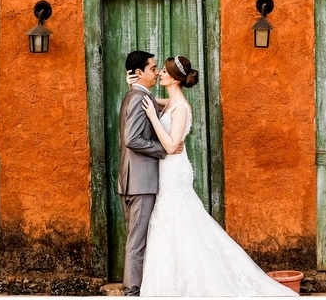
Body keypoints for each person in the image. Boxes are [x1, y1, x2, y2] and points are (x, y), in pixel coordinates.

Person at [135, 55, 297, 297]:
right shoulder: (169, 103)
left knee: (180, 218)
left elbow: (170, 145)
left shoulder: (181, 109)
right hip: (167, 170)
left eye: (165, 72)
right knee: (172, 222)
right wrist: (136, 88)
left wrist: (151, 117)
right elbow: (149, 100)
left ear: (175, 80)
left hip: (175, 171)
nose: (160, 74)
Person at [117, 50, 184, 297]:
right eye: (153, 68)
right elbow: (132, 139)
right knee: (137, 242)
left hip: (133, 180)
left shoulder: (137, 95)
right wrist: (165, 149)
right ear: (139, 72)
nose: (156, 72)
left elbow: (167, 104)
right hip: (141, 181)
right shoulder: (138, 98)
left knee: (138, 239)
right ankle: (132, 292)